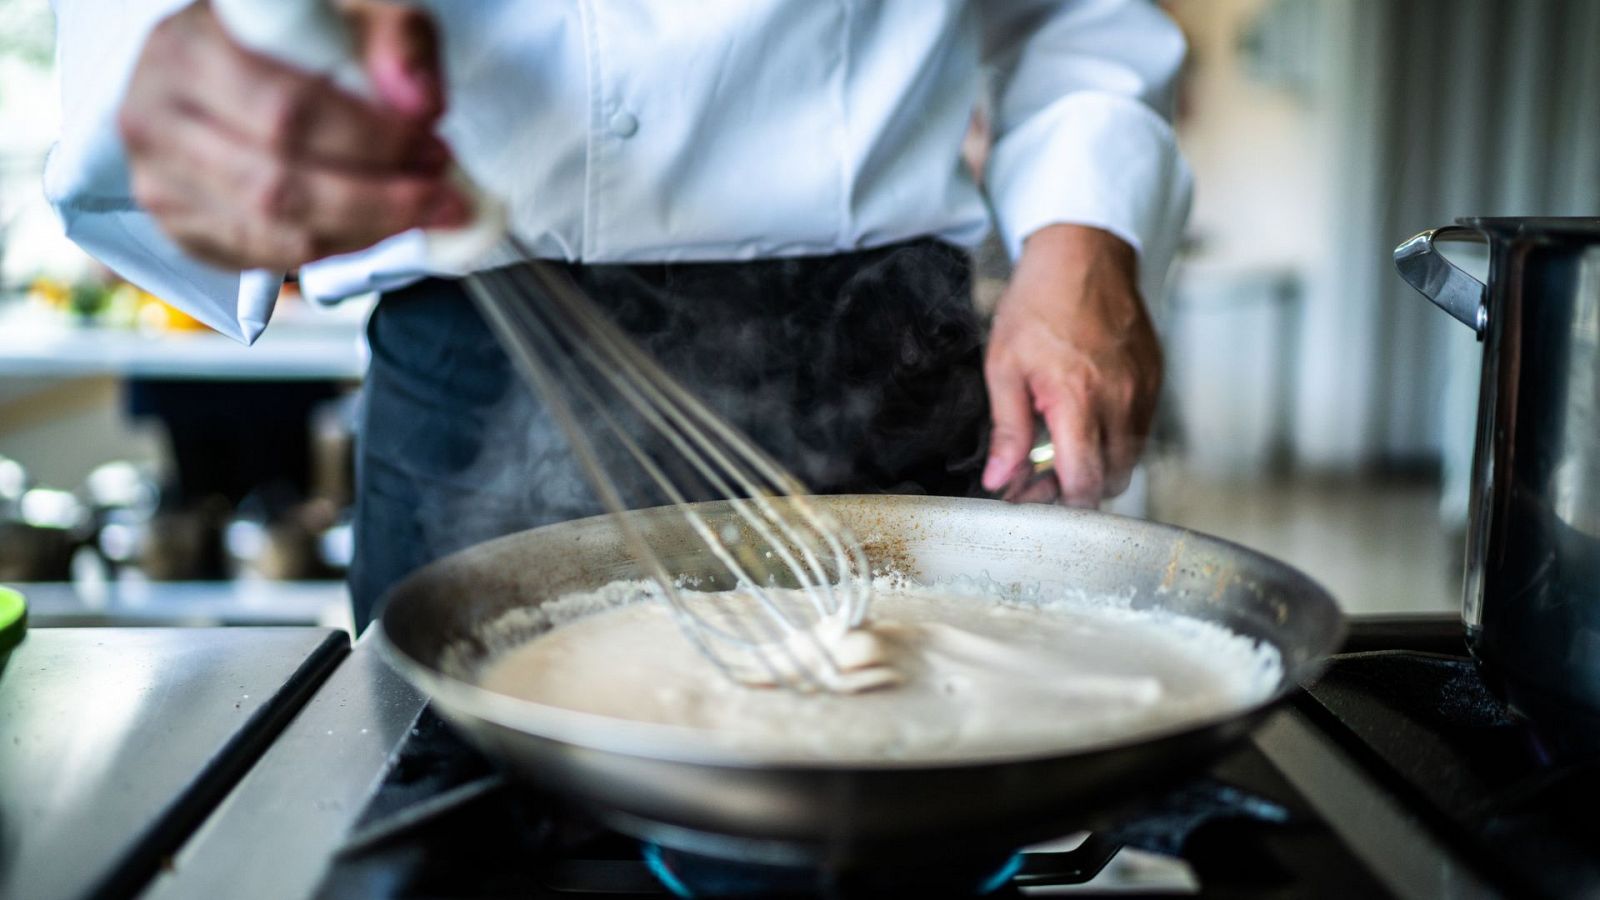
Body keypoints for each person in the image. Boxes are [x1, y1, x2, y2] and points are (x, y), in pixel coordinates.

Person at [49, 1, 1191, 627]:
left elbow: (1077, 17)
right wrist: (177, 57)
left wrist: (1083, 230)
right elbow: (163, 35)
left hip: (882, 362)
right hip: (483, 374)